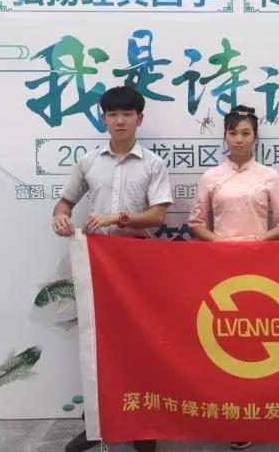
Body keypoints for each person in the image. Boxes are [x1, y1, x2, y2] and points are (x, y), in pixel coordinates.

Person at [52, 86, 173, 452]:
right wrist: (60, 218)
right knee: (98, 344)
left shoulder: (153, 164)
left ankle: (143, 426)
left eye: (127, 114)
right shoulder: (88, 162)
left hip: (137, 264)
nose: (120, 121)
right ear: (103, 118)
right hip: (97, 265)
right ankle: (95, 425)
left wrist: (117, 218)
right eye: (113, 114)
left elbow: (158, 216)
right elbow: (64, 203)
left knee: (140, 344)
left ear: (140, 118)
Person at [188, 104, 279, 449]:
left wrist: (258, 241)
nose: (238, 139)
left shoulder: (269, 176)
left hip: (260, 267)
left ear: (255, 137)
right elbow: (195, 222)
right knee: (223, 341)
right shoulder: (211, 177)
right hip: (219, 267)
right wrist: (218, 243)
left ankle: (257, 412)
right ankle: (228, 413)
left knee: (256, 343)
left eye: (245, 133)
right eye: (233, 132)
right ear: (225, 136)